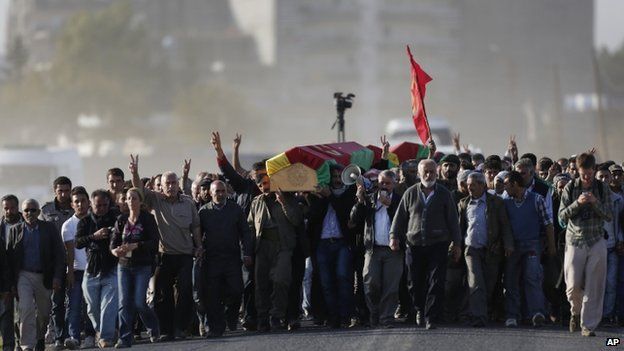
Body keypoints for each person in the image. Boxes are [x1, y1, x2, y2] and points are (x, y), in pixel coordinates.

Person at [129, 155, 202, 341]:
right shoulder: (156, 200)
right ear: (160, 185)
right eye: (166, 183)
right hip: (164, 255)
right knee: (162, 294)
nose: (170, 186)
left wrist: (199, 246)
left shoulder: (188, 203)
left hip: (185, 255)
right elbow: (138, 190)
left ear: (178, 184)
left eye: (173, 182)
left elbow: (195, 226)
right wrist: (135, 172)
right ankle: (166, 330)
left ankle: (181, 328)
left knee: (185, 292)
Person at [390, 159, 462, 330]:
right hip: (414, 244)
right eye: (426, 172)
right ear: (419, 174)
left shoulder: (444, 194)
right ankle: (419, 309)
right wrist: (394, 236)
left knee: (436, 282)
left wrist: (457, 244)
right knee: (413, 282)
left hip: (438, 244)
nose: (429, 175)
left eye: (432, 172)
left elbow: (453, 221)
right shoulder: (410, 193)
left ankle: (430, 316)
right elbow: (399, 218)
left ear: (436, 173)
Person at [559, 153, 612, 337]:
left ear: (594, 170)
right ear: (578, 172)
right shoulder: (570, 188)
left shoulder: (602, 188)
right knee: (572, 286)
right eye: (583, 174)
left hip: (596, 239)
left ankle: (587, 325)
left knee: (594, 286)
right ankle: (575, 312)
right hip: (575, 240)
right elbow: (561, 217)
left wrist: (594, 202)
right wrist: (577, 204)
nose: (587, 178)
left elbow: (609, 215)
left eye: (589, 173)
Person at [247, 170, 303, 332]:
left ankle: (276, 316)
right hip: (262, 247)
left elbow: (296, 220)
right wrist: (249, 252)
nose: (265, 186)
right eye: (261, 184)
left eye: (267, 182)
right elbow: (251, 226)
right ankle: (263, 318)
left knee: (281, 281)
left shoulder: (287, 198)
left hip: (283, 246)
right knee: (261, 284)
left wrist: (283, 202)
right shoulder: (256, 202)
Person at [7, 199, 65, 351]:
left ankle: (39, 338)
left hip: (44, 276)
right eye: (26, 210)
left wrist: (57, 277)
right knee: (26, 309)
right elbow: (10, 259)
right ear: (22, 212)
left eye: (33, 210)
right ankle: (27, 345)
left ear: (39, 212)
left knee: (44, 312)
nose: (29, 213)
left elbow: (59, 254)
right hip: (23, 275)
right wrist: (11, 282)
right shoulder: (15, 230)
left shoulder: (49, 228)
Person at [197, 180, 252, 337]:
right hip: (212, 259)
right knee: (213, 296)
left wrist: (247, 252)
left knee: (236, 290)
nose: (220, 194)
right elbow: (198, 234)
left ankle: (231, 314)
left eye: (223, 191)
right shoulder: (204, 212)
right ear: (211, 193)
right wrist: (198, 249)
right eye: (217, 191)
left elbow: (245, 232)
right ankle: (215, 328)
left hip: (232, 258)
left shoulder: (235, 209)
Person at [458, 172, 513, 327]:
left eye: (473, 185)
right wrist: (455, 247)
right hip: (471, 250)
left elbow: (505, 225)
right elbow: (459, 228)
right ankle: (478, 317)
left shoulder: (496, 202)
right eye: (468, 185)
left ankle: (478, 311)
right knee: (475, 283)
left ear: (483, 185)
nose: (470, 188)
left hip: (491, 249)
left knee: (489, 284)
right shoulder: (464, 203)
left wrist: (507, 244)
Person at [503, 171, 555, 328]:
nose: (504, 188)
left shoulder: (536, 199)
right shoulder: (506, 201)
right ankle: (512, 315)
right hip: (513, 246)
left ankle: (536, 313)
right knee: (511, 280)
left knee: (532, 278)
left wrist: (551, 246)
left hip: (532, 244)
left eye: (506, 184)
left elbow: (548, 223)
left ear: (515, 184)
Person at [351, 170, 403, 328]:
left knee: (390, 286)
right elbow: (354, 221)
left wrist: (390, 205)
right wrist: (359, 201)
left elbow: (405, 220)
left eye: (388, 183)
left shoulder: (400, 200)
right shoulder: (370, 199)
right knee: (370, 283)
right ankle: (374, 313)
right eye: (381, 183)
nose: (384, 186)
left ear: (394, 184)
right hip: (372, 249)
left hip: (393, 250)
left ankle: (386, 318)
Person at [307, 164, 357, 328]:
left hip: (342, 242)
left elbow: (346, 213)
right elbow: (313, 217)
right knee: (326, 282)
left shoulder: (350, 193)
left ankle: (344, 316)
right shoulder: (320, 193)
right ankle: (332, 316)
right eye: (334, 177)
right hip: (322, 243)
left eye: (339, 177)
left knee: (343, 278)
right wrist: (317, 198)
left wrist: (330, 197)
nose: (336, 180)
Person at [110, 187, 160, 348]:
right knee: (124, 302)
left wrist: (136, 245)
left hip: (142, 265)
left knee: (139, 302)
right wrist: (115, 250)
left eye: (134, 198)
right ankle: (125, 337)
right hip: (124, 265)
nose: (130, 201)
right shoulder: (121, 220)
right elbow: (113, 242)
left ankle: (153, 327)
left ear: (140, 201)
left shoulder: (147, 219)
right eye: (128, 198)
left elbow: (154, 242)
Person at [75, 189, 120, 348]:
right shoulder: (85, 222)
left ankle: (106, 337)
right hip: (92, 268)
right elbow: (78, 242)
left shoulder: (116, 219)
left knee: (108, 305)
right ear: (91, 205)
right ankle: (101, 331)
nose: (101, 208)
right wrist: (94, 236)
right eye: (97, 205)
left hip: (111, 268)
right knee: (92, 308)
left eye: (104, 205)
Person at [40, 176, 74, 349]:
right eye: (60, 191)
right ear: (55, 191)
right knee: (57, 300)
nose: (63, 194)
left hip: (75, 259)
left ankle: (71, 333)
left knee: (74, 299)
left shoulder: (77, 206)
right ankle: (57, 334)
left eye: (67, 190)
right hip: (55, 262)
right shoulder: (46, 210)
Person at [61, 187, 96, 350]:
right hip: (77, 270)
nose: (80, 204)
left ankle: (90, 336)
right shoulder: (68, 226)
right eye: (77, 201)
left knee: (91, 305)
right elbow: (70, 252)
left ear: (88, 202)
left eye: (83, 201)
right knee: (74, 305)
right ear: (72, 204)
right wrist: (70, 272)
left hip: (95, 269)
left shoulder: (95, 220)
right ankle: (74, 337)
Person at [595, 167, 623, 326]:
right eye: (601, 177)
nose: (604, 180)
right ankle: (594, 314)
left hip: (612, 247)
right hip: (594, 247)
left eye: (607, 176)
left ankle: (607, 315)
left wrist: (620, 240)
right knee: (595, 283)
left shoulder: (617, 199)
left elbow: (621, 223)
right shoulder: (589, 197)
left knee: (611, 283)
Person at [0, 194, 21, 351]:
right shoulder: (1, 227)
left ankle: (23, 342)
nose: (9, 211)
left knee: (23, 312)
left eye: (12, 208)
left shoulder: (26, 224)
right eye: (6, 208)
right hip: (5, 276)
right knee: (7, 312)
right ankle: (9, 345)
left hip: (23, 273)